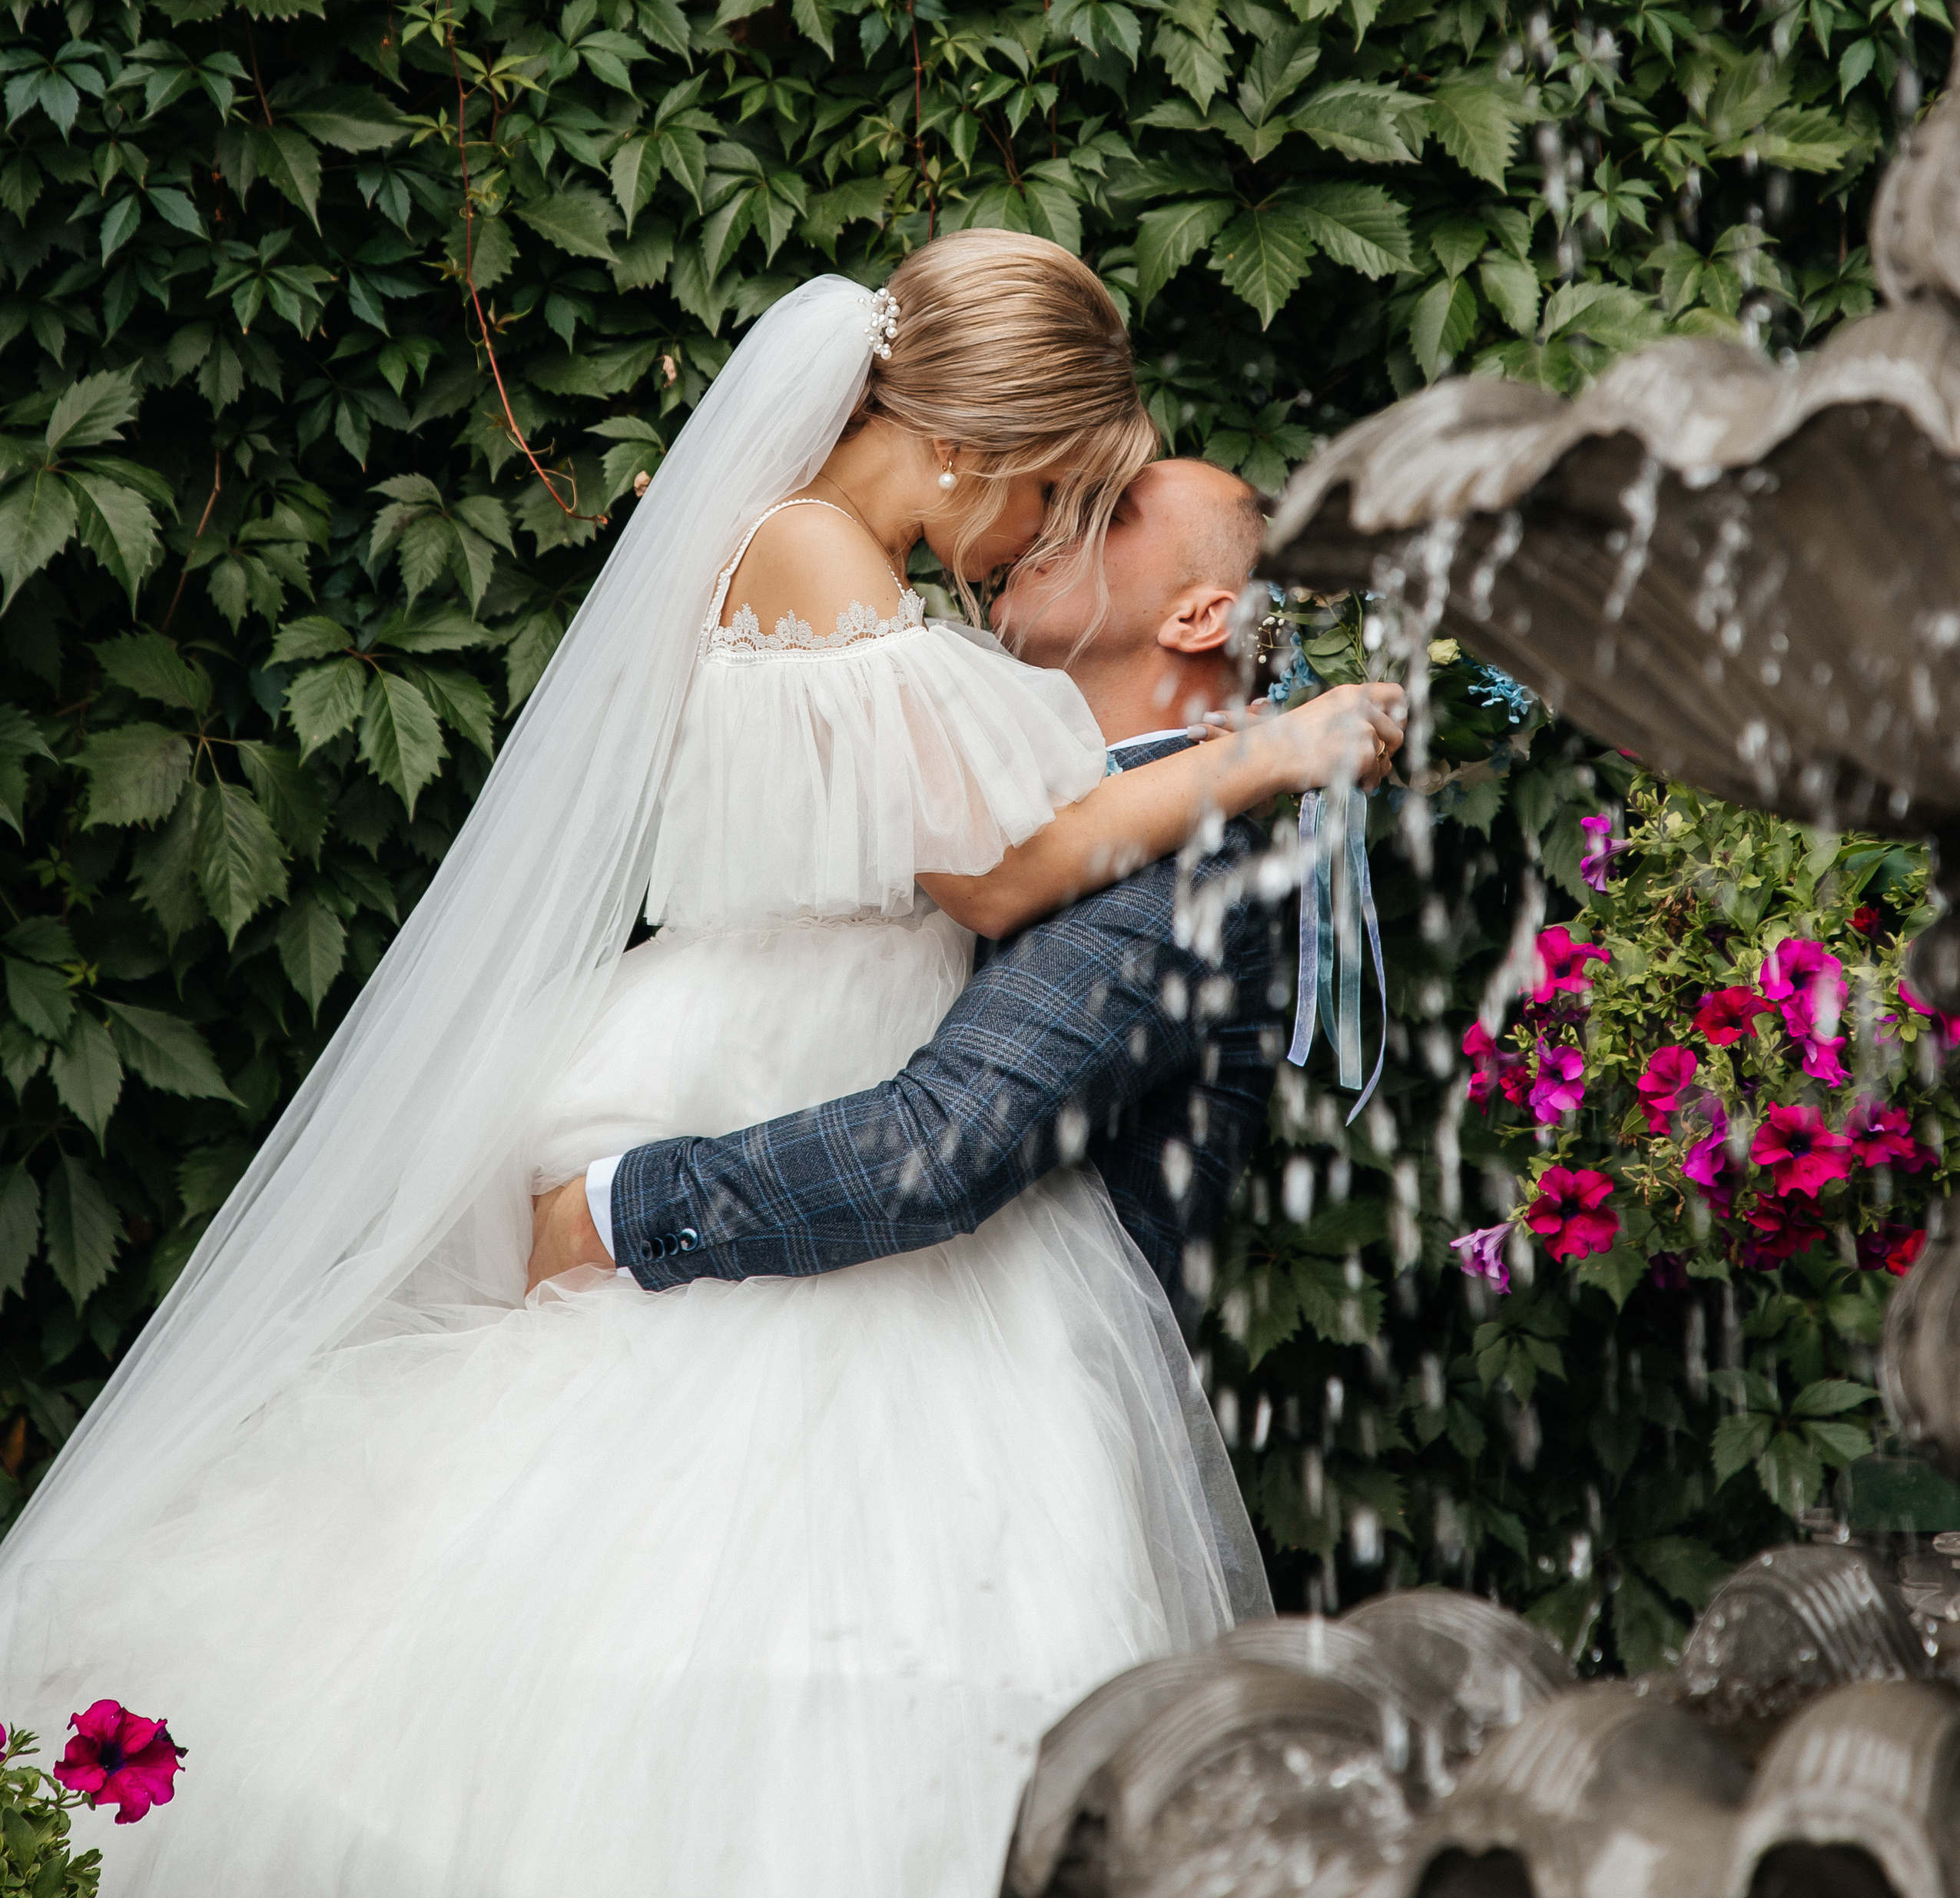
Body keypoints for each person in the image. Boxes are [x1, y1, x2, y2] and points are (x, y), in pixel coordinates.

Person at [2, 241, 1402, 1897]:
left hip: (808, 1067)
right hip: (775, 1060)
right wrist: (1267, 752)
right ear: (987, 451)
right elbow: (1005, 875)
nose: (1034, 544)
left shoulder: (836, 563)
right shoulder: (814, 552)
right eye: (1051, 498)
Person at [529, 455, 1327, 1339]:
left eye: (1113, 512)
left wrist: (605, 1218)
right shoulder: (992, 790)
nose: (1053, 521)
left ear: (1201, 615)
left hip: (992, 1396)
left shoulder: (1193, 868)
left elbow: (940, 1149)